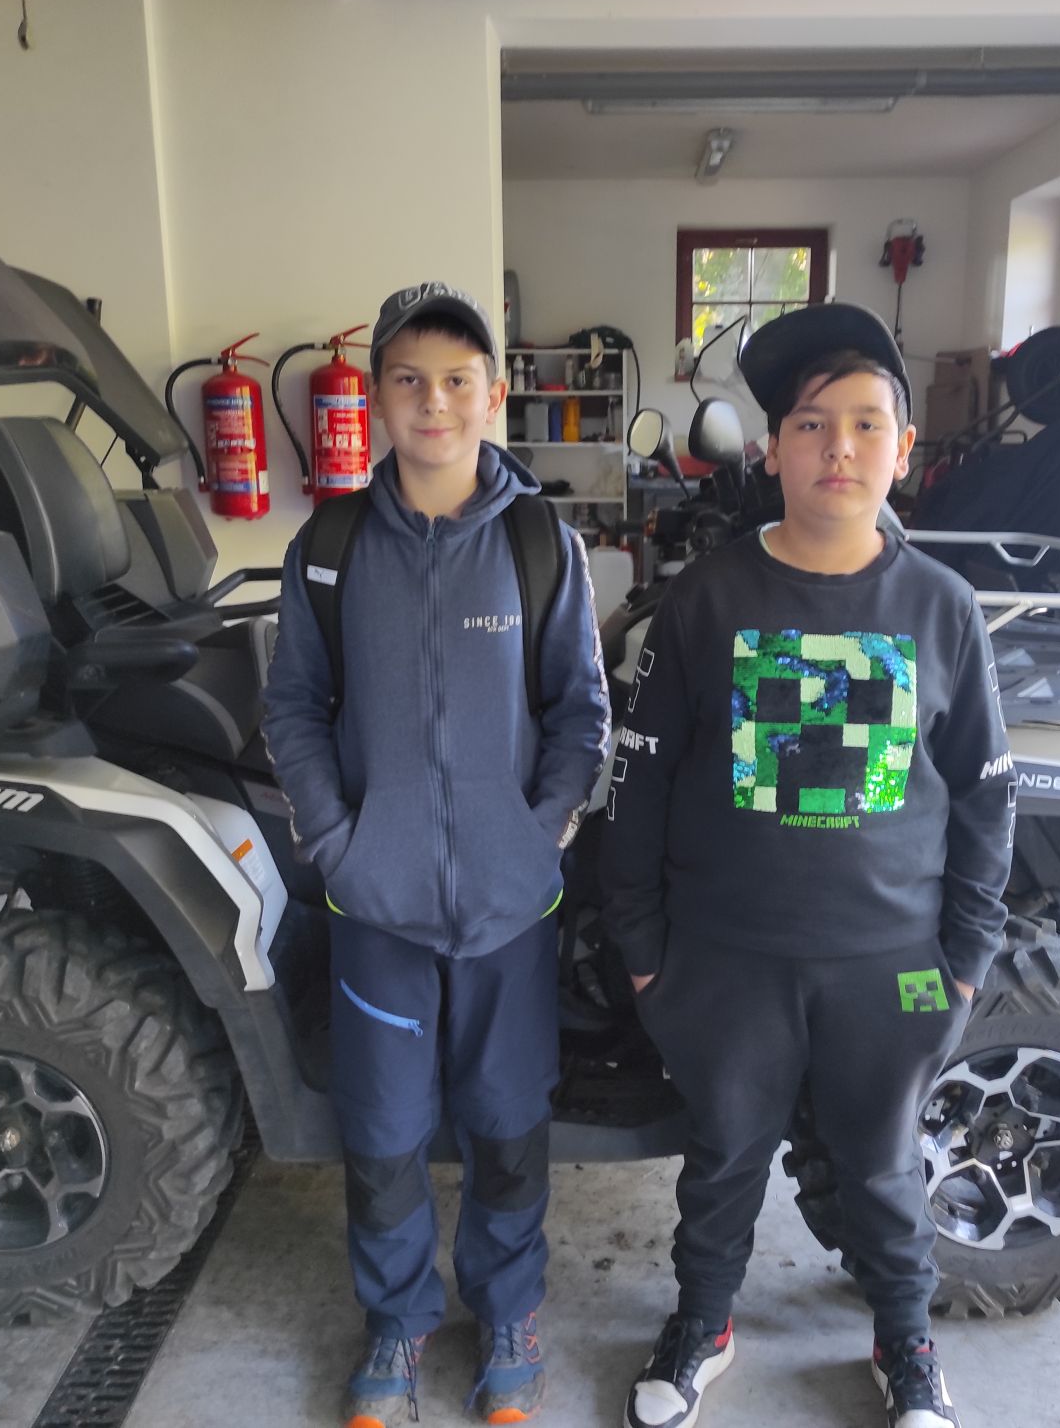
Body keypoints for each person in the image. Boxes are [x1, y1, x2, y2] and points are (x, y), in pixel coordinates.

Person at [601, 302, 1017, 1428]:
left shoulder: (942, 609)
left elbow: (985, 797)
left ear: (903, 449)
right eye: (812, 424)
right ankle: (704, 1320)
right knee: (722, 1157)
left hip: (891, 964)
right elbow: (639, 783)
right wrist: (644, 952)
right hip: (724, 961)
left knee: (883, 1167)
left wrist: (965, 959)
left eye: (867, 424)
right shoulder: (707, 599)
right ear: (774, 449)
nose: (840, 447)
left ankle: (906, 1340)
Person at [261, 282, 609, 1428]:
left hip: (511, 908)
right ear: (378, 396)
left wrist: (534, 834)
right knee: (383, 1130)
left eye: (458, 380)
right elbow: (294, 707)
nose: (435, 401)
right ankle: (398, 1318)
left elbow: (581, 713)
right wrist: (338, 843)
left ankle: (509, 1312)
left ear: (493, 395)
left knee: (508, 1121)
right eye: (409, 379)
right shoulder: (329, 547)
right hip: (376, 907)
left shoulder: (538, 543)